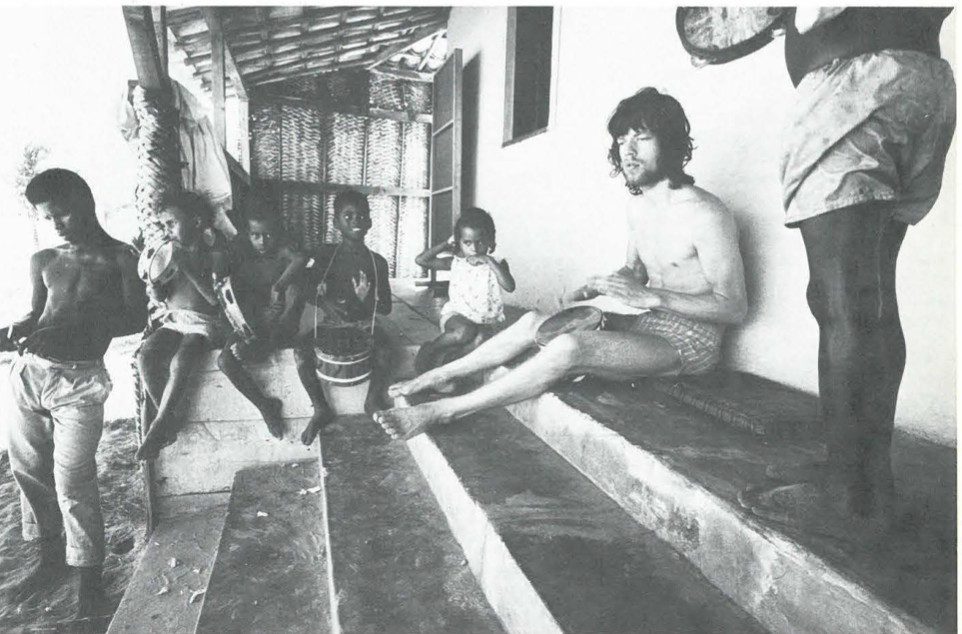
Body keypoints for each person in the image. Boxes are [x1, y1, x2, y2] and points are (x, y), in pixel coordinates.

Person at [375, 88, 747, 440]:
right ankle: (428, 378)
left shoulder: (707, 214)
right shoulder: (639, 207)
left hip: (689, 344)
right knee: (531, 322)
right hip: (649, 326)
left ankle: (445, 410)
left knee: (570, 347)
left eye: (642, 138)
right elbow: (636, 272)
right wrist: (598, 286)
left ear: (669, 142)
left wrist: (655, 299)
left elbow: (734, 307)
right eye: (621, 141)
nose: (627, 152)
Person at [738, 7, 956, 536]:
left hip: (856, 86)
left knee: (841, 300)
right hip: (919, 79)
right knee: (869, 292)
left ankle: (850, 499)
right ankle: (867, 479)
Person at [0, 169, 147, 618]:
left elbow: (136, 318)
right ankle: (48, 558)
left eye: (62, 212)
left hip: (80, 382)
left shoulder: (122, 257)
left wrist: (81, 325)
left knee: (74, 480)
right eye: (49, 217)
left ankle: (90, 576)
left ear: (85, 200)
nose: (58, 223)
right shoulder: (44, 258)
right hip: (29, 374)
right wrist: (14, 333)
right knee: (28, 470)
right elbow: (37, 315)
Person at [136, 191, 228, 461]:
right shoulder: (168, 257)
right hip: (175, 321)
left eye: (172, 223)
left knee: (184, 356)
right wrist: (155, 290)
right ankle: (170, 421)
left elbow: (214, 301)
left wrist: (187, 266)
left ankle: (160, 423)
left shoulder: (214, 254)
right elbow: (164, 298)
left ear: (197, 222)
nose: (167, 231)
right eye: (163, 225)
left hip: (204, 324)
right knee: (146, 355)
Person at [297, 190, 393, 444]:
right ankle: (320, 407)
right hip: (330, 325)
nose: (356, 221)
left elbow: (385, 309)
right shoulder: (326, 255)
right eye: (348, 215)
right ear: (336, 222)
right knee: (300, 352)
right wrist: (322, 297)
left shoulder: (377, 263)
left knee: (385, 349)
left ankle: (372, 400)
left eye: (362, 215)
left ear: (370, 222)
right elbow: (307, 292)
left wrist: (366, 299)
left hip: (363, 326)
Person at [217, 208, 310, 439]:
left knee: (295, 291)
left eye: (268, 235)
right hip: (253, 323)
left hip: (281, 326)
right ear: (246, 235)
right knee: (225, 360)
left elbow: (302, 258)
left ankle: (261, 348)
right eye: (255, 235)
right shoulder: (241, 256)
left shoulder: (282, 253)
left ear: (277, 233)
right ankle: (264, 405)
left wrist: (278, 287)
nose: (262, 241)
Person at [413, 207, 515, 378]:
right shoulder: (456, 262)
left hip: (484, 320)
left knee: (482, 340)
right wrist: (446, 244)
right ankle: (431, 349)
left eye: (480, 242)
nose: (474, 248)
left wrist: (488, 260)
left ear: (490, 241)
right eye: (467, 243)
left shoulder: (496, 264)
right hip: (456, 316)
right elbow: (421, 260)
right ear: (459, 242)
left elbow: (510, 286)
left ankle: (450, 364)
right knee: (465, 331)